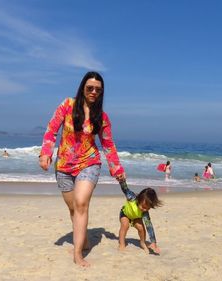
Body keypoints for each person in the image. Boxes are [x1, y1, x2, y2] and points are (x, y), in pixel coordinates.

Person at [39, 71, 126, 267]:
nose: (94, 92)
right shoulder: (67, 105)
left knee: (81, 203)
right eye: (90, 88)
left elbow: (108, 145)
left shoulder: (102, 117)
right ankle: (84, 239)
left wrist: (116, 169)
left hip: (89, 162)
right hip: (63, 166)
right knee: (73, 208)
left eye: (98, 89)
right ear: (83, 88)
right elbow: (52, 129)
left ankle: (78, 254)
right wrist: (45, 153)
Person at [118, 180, 162, 254]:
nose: (145, 209)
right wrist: (122, 180)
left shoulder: (145, 212)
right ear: (139, 199)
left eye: (148, 208)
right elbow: (125, 189)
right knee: (125, 225)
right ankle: (122, 244)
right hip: (125, 214)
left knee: (141, 228)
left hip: (135, 218)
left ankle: (142, 242)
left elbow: (149, 226)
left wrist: (153, 242)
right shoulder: (132, 197)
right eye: (143, 206)